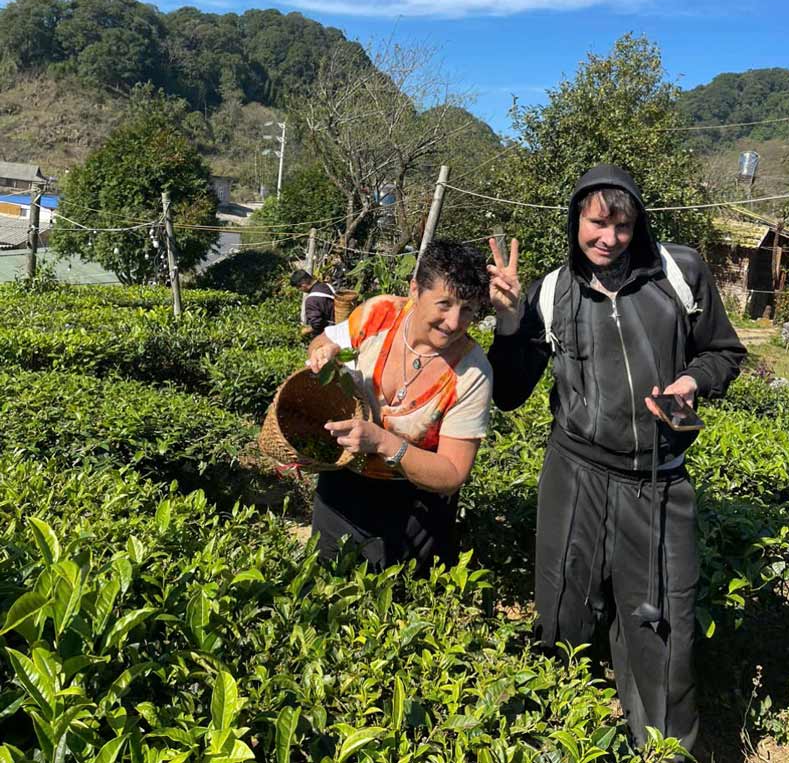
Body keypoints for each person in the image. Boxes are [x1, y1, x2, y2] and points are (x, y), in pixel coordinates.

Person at [486, 165, 745, 753]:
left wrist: (692, 381)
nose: (608, 239)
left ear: (638, 224)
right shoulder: (551, 292)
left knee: (662, 626)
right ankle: (560, 733)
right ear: (575, 218)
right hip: (573, 472)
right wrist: (508, 322)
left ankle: (662, 748)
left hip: (657, 480)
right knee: (562, 609)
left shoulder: (679, 273)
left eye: (622, 226)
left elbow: (724, 352)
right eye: (596, 223)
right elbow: (510, 392)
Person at [306, 239, 493, 572]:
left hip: (413, 506)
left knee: (395, 594)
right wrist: (323, 352)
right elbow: (324, 342)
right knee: (325, 581)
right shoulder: (380, 313)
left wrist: (382, 442)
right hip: (341, 484)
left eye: (467, 309)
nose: (454, 322)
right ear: (415, 290)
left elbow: (453, 472)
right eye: (444, 304)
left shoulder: (472, 372)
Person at [290, 268, 335, 336]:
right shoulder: (327, 286)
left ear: (303, 285)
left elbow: (317, 324)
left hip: (332, 333)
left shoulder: (311, 300)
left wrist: (304, 331)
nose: (300, 290)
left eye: (298, 288)